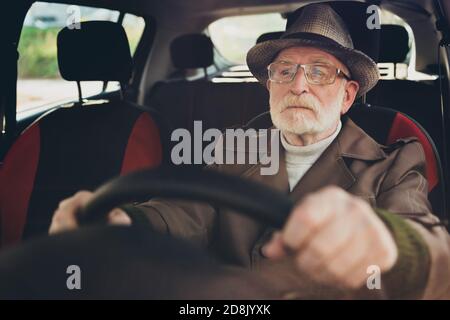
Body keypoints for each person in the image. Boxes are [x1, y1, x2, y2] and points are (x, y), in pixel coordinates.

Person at [49, 3, 450, 299]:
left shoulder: (396, 159)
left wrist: (392, 244)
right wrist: (126, 223)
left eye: (319, 71)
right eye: (284, 70)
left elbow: (429, 243)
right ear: (269, 86)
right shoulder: (235, 146)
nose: (298, 85)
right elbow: (185, 211)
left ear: (347, 96)